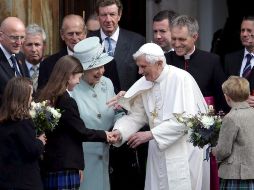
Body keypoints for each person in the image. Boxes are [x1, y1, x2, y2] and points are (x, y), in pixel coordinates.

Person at [108, 42, 208, 190]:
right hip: (157, 148)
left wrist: (150, 134)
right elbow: (136, 116)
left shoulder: (181, 79)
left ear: (159, 63)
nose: (140, 72)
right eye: (139, 67)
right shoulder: (145, 82)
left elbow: (186, 120)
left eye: (143, 66)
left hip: (181, 149)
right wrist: (120, 131)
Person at [89, 1, 147, 189]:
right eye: (104, 15)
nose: (108, 19)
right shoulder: (89, 41)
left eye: (112, 14)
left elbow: (142, 79)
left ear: (119, 15)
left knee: (125, 177)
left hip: (130, 117)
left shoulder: (137, 40)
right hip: (96, 115)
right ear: (98, 16)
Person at [37, 55, 113, 190]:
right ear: (69, 76)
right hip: (65, 164)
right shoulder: (66, 100)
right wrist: (105, 135)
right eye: (78, 77)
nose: (79, 82)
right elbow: (80, 131)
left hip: (51, 163)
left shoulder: (48, 95)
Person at [71, 37, 124, 190]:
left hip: (107, 157)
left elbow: (117, 112)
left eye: (102, 66)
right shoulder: (72, 88)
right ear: (82, 69)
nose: (101, 71)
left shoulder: (107, 83)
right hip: (81, 160)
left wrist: (118, 130)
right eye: (95, 67)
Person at [0, 77, 46, 190]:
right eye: (30, 95)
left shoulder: (3, 120)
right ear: (22, 97)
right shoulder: (22, 121)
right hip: (26, 182)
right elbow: (32, 149)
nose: (31, 99)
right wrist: (40, 141)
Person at [212, 76, 254, 189]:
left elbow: (224, 150)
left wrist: (214, 151)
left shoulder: (231, 118)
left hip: (235, 174)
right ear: (247, 93)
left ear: (227, 97)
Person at [38, 14, 87, 89]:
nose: (74, 38)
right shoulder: (48, 64)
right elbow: (43, 96)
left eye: (78, 33)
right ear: (62, 35)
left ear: (85, 34)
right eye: (70, 34)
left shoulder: (97, 61)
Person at [224, 16, 254, 107]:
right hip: (235, 116)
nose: (244, 34)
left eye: (249, 30)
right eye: (242, 30)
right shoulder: (230, 59)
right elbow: (224, 89)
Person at [0, 17, 27, 102]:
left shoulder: (20, 56)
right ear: (1, 36)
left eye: (22, 37)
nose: (19, 42)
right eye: (14, 37)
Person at [21, 24, 47, 92]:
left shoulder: (52, 67)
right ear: (22, 46)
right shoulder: (17, 67)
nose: (33, 49)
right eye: (29, 45)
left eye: (37, 44)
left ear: (44, 46)